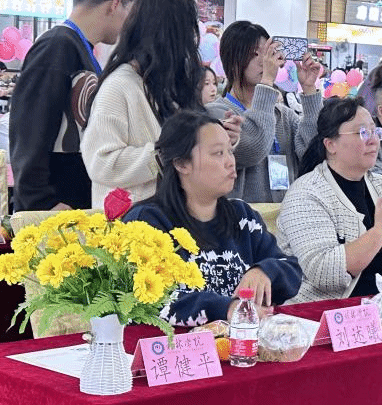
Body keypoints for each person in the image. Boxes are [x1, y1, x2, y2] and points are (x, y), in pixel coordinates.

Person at [124, 109, 301, 327]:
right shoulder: (146, 223)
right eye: (218, 153)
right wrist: (226, 308)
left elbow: (290, 268)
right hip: (176, 345)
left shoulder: (242, 217)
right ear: (182, 164)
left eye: (230, 151)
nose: (230, 162)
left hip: (241, 342)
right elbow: (147, 299)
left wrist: (264, 271)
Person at [277, 97, 382, 301]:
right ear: (331, 144)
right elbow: (322, 273)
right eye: (363, 132)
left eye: (376, 132)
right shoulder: (306, 194)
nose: (374, 140)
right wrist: (381, 230)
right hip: (325, 313)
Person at [10, 0, 136, 211]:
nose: (127, 25)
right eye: (129, 13)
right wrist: (42, 201)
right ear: (115, 4)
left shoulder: (80, 48)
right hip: (55, 205)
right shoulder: (57, 45)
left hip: (73, 200)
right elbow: (29, 131)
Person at [81, 0, 203, 208]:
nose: (190, 44)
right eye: (185, 33)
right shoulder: (119, 86)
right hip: (132, 224)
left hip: (174, 216)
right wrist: (163, 154)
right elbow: (101, 163)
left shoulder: (169, 85)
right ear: (166, 35)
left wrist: (216, 138)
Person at [205, 20, 323, 203]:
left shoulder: (283, 115)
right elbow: (254, 148)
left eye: (267, 52)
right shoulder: (215, 114)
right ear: (233, 60)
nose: (264, 61)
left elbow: (313, 154)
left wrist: (309, 89)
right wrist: (267, 81)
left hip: (285, 215)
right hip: (243, 218)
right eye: (254, 54)